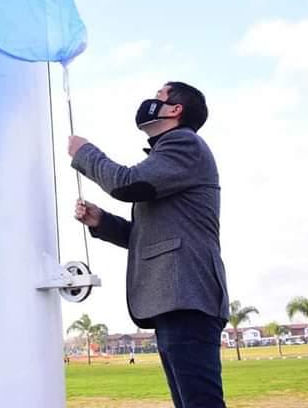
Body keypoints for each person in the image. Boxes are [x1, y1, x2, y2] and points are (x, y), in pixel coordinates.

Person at [68, 82, 229, 408]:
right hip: (177, 301)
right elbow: (152, 239)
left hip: (188, 298)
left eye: (159, 98)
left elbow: (125, 183)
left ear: (175, 109)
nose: (150, 102)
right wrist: (103, 222)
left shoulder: (183, 144)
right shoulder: (170, 157)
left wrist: (85, 152)